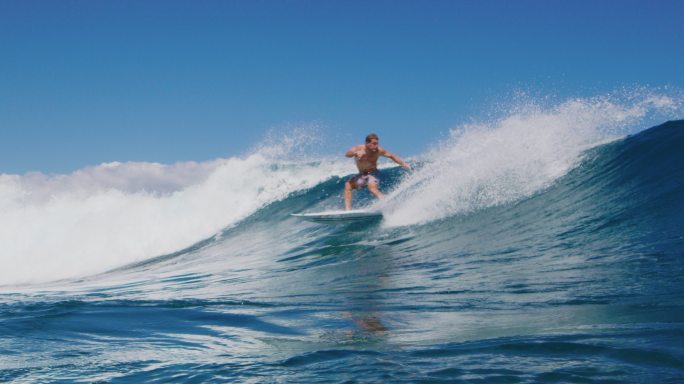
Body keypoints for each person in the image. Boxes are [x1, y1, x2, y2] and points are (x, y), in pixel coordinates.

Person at [344, 133, 410, 210]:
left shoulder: (378, 150)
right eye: (374, 143)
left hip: (373, 173)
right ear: (367, 143)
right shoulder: (358, 148)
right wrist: (355, 153)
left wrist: (403, 164)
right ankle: (348, 210)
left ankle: (389, 204)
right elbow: (347, 154)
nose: (376, 146)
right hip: (362, 175)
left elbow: (391, 156)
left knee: (372, 188)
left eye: (377, 143)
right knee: (348, 185)